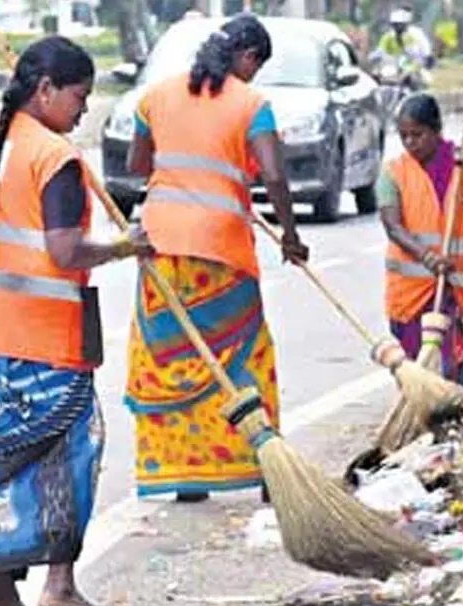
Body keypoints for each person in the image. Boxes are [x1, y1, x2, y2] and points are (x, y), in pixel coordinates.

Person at [0, 36, 150, 606]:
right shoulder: (56, 158)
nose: (84, 110)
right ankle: (59, 585)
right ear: (47, 90)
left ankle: (1, 594)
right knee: (71, 453)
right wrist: (124, 247)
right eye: (79, 96)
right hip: (40, 342)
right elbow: (64, 249)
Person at [125, 13, 308, 503]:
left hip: (160, 247)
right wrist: (290, 235)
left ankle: (185, 474)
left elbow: (136, 164)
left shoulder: (156, 96)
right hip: (221, 253)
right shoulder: (252, 104)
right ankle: (264, 464)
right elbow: (272, 174)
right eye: (257, 65)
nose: (255, 76)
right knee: (246, 353)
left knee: (173, 356)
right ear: (247, 58)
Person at [378, 94, 463, 391]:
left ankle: (459, 429)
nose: (411, 143)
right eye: (404, 136)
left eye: (418, 135)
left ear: (437, 130)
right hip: (412, 297)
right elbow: (393, 226)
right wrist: (427, 257)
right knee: (419, 376)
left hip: (460, 292)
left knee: (459, 372)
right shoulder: (393, 171)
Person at [372, 7, 433, 86]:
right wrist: (372, 58)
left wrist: (426, 59)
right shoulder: (388, 37)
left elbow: (420, 54)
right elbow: (380, 51)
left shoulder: (413, 35)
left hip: (411, 67)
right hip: (394, 67)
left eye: (400, 24)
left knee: (419, 80)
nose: (398, 27)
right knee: (376, 75)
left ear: (405, 24)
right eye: (395, 24)